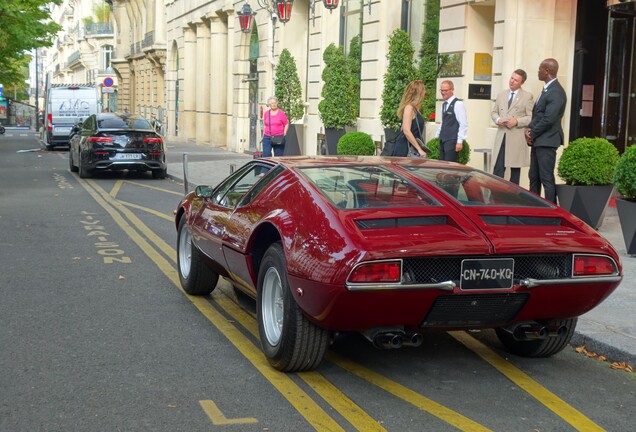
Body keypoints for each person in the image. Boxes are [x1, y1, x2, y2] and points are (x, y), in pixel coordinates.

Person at [525, 58, 567, 203]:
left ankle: (551, 210)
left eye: (540, 69)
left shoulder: (556, 92)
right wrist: (529, 128)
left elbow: (549, 119)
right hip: (539, 140)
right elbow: (539, 114)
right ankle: (534, 208)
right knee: (533, 176)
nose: (538, 71)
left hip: (548, 141)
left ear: (547, 71)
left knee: (546, 178)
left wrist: (532, 133)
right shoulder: (546, 89)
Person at [491, 69, 534, 184]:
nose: (512, 81)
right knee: (498, 170)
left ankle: (513, 198)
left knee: (515, 174)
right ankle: (495, 197)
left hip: (516, 139)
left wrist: (517, 121)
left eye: (516, 80)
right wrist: (498, 119)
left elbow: (531, 117)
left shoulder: (527, 96)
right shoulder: (501, 94)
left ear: (521, 82)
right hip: (502, 137)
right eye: (511, 78)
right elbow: (494, 112)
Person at [393, 80, 429, 157]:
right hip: (406, 149)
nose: (425, 93)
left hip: (410, 147)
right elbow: (406, 130)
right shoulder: (409, 108)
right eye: (423, 90)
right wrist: (419, 149)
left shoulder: (414, 108)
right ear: (418, 93)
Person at [436, 80, 468, 162]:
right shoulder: (443, 105)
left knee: (450, 166)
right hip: (443, 139)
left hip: (452, 140)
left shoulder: (458, 104)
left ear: (452, 90)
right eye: (441, 90)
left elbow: (463, 124)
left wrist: (459, 141)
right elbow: (443, 122)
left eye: (445, 90)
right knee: (442, 165)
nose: (443, 93)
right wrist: (437, 136)